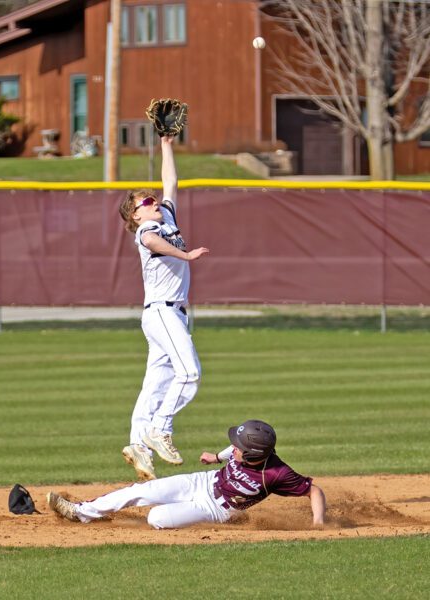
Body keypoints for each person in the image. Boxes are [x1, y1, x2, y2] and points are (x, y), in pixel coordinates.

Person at [117, 135, 210, 481]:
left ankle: (138, 443)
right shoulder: (146, 230)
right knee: (190, 374)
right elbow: (153, 242)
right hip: (162, 312)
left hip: (170, 316)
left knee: (156, 383)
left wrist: (166, 144)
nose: (155, 202)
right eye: (147, 201)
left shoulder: (166, 217)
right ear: (135, 213)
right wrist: (185, 255)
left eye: (153, 199)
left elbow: (170, 182)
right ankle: (160, 429)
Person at [47, 420, 326, 530]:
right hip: (202, 481)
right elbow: (232, 449)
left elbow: (314, 490)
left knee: (155, 517)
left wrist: (318, 522)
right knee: (139, 491)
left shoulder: (277, 473)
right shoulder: (245, 450)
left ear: (255, 454)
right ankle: (81, 512)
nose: (234, 448)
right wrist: (216, 458)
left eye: (239, 448)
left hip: (217, 509)